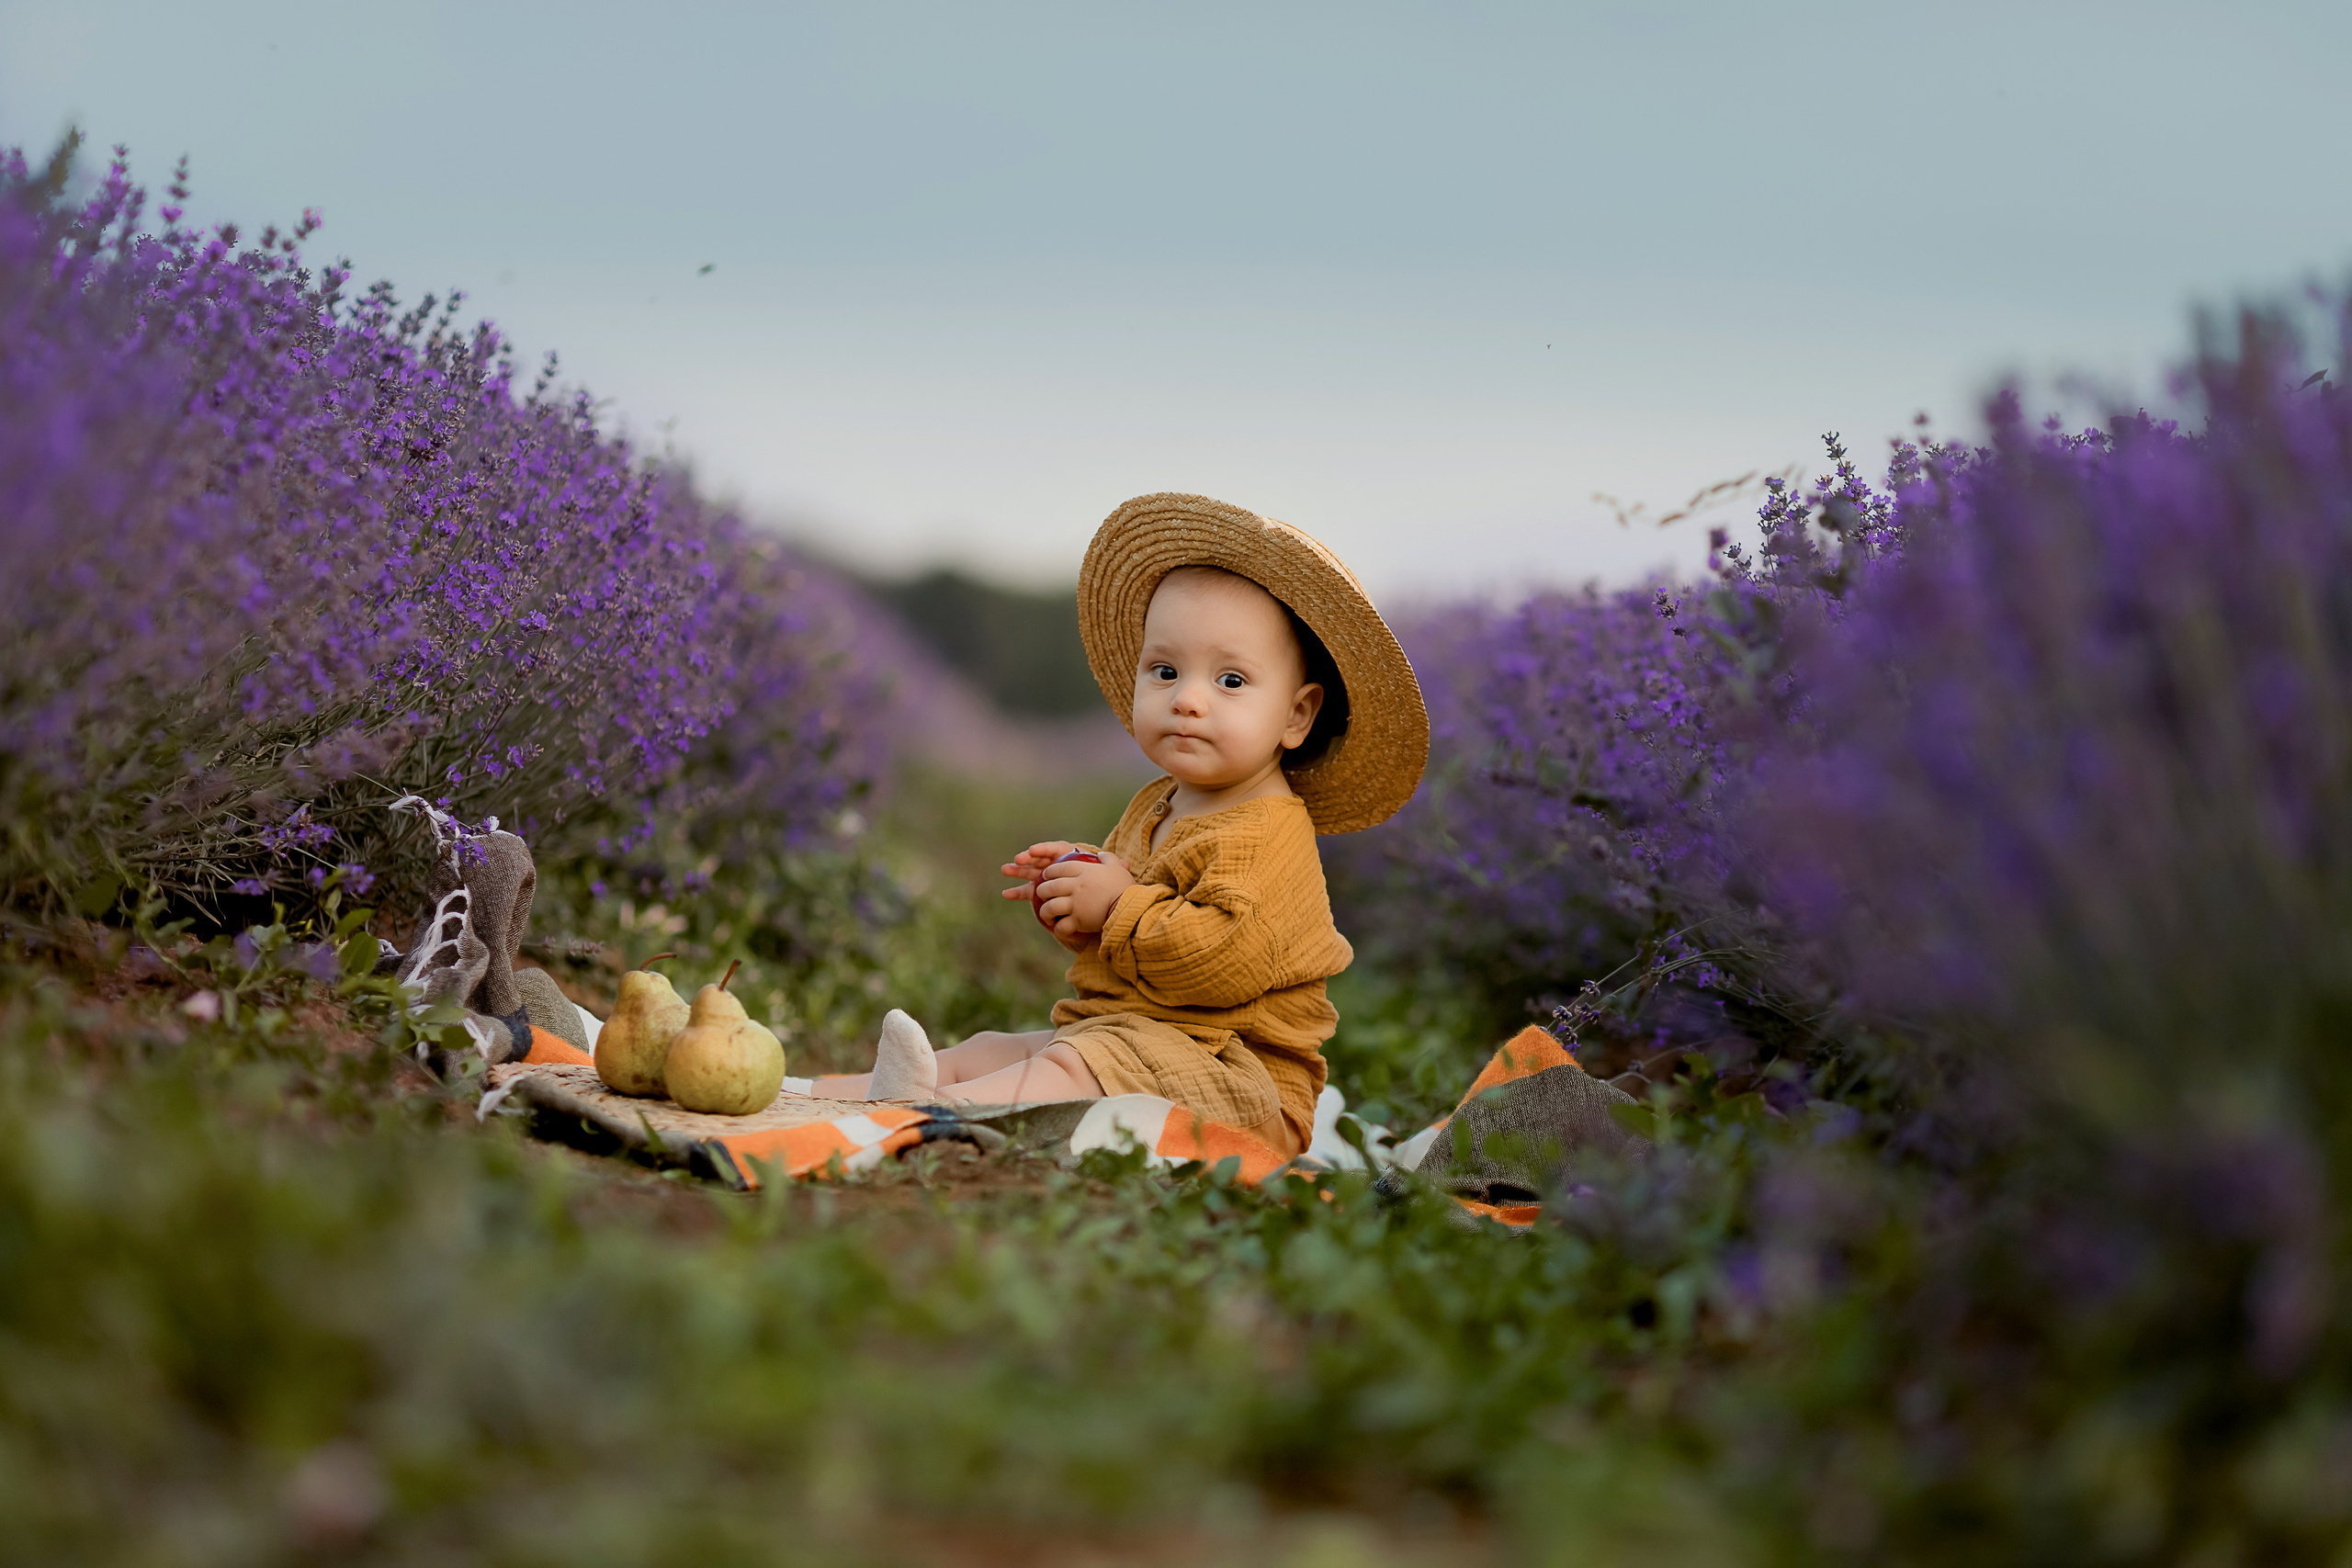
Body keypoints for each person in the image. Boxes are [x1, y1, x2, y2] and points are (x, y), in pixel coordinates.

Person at [811, 492, 1428, 1157]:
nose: (1188, 699)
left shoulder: (1269, 833)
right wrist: (1078, 904)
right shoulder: (1159, 802)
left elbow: (1218, 960)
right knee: (996, 1048)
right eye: (1165, 671)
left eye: (1229, 680)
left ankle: (932, 1114)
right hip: (1140, 1036)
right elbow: (1129, 941)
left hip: (1240, 1084)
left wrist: (1116, 905)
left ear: (1297, 716)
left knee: (1073, 1066)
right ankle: (826, 1093)